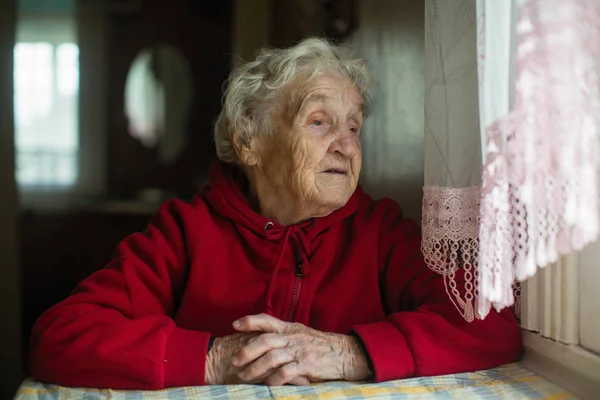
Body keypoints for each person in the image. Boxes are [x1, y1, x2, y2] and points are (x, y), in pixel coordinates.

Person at [29, 38, 521, 390]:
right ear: (250, 141)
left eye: (354, 126)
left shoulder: (380, 232)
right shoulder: (187, 231)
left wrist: (346, 352)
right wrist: (216, 359)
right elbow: (61, 337)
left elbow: (490, 323)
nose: (347, 146)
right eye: (319, 121)